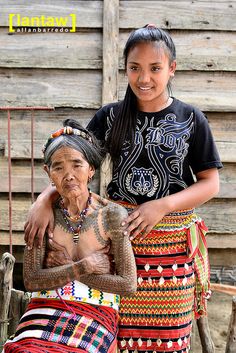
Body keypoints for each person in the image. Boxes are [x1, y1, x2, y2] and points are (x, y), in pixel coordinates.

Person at [24, 25, 222, 353]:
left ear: (172, 68)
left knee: (168, 337)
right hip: (113, 243)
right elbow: (72, 162)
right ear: (125, 68)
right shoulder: (111, 116)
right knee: (115, 333)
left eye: (155, 68)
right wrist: (45, 199)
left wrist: (162, 206)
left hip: (169, 252)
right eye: (135, 68)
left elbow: (210, 182)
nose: (144, 78)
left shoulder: (191, 119)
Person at [3, 119, 137, 353]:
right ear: (48, 173)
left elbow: (128, 284)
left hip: (97, 310)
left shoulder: (111, 215)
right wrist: (82, 267)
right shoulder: (42, 217)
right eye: (58, 167)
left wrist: (63, 270)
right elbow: (32, 280)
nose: (69, 175)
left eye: (77, 165)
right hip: (44, 307)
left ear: (91, 169)